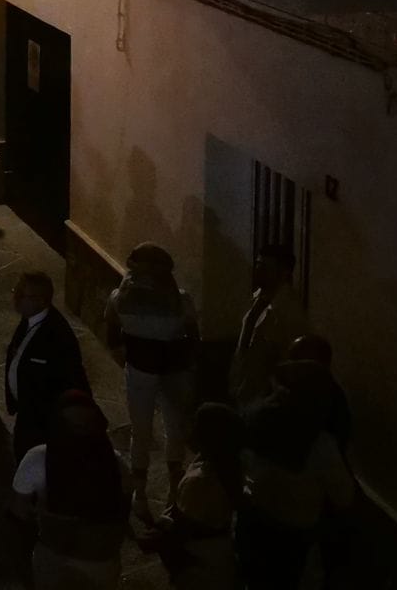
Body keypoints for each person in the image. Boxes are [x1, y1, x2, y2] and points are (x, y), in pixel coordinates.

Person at [236, 361, 356, 590]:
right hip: (294, 538)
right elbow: (344, 497)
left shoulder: (253, 421)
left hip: (252, 524)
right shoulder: (321, 447)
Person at [105, 242, 200, 522]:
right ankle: (173, 490)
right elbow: (193, 336)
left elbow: (112, 330)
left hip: (140, 369)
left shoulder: (119, 299)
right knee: (174, 429)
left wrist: (124, 355)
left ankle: (141, 493)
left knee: (140, 430)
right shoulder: (181, 300)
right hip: (175, 370)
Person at [9, 391, 127, 589]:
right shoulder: (117, 464)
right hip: (102, 559)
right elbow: (122, 510)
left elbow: (19, 510)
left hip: (56, 557)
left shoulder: (38, 459)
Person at [137, 402, 241, 590]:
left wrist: (156, 532)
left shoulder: (203, 482)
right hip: (216, 554)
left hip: (200, 561)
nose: (189, 428)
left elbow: (183, 530)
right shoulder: (222, 462)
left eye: (195, 424)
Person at [4, 270, 91, 464]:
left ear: (41, 300)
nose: (15, 299)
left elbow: (71, 379)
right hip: (27, 414)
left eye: (21, 295)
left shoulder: (58, 336)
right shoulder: (28, 320)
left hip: (43, 424)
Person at [231, 244, 307, 406]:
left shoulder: (289, 310)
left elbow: (290, 358)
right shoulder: (256, 300)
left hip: (267, 397)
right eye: (258, 265)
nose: (258, 271)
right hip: (244, 390)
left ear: (284, 272)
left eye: (265, 267)